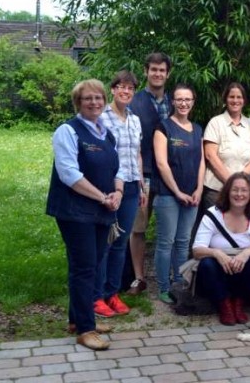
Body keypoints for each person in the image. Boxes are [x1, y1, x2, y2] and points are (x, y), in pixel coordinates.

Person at [46, 79, 124, 350]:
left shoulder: (107, 133)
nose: (94, 102)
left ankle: (78, 318)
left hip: (102, 209)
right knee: (84, 266)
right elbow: (69, 174)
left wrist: (118, 193)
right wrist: (103, 197)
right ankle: (86, 330)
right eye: (88, 98)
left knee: (90, 264)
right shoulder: (68, 131)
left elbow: (119, 169)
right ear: (78, 103)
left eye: (98, 98)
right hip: (75, 211)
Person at [94, 71, 145, 319]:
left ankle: (112, 292)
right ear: (112, 89)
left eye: (130, 88)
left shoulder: (134, 120)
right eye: (121, 87)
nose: (126, 92)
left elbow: (137, 154)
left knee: (121, 242)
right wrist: (112, 189)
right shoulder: (101, 117)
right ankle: (96, 296)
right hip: (110, 188)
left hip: (133, 187)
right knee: (105, 242)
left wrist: (142, 184)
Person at [192, 172, 250, 325]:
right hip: (219, 268)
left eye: (244, 190)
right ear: (227, 191)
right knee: (207, 264)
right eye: (235, 190)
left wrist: (248, 252)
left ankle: (239, 303)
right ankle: (225, 304)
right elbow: (197, 250)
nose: (239, 194)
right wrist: (216, 253)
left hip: (240, 268)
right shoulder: (212, 214)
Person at [152, 84, 205, 304]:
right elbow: (162, 164)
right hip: (168, 195)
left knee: (184, 241)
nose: (184, 103)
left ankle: (179, 283)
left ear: (193, 102)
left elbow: (202, 161)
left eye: (188, 99)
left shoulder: (198, 129)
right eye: (179, 99)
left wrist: (199, 189)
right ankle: (164, 287)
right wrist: (177, 192)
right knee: (166, 241)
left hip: (192, 196)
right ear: (172, 101)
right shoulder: (163, 128)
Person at [126, 52, 172, 296]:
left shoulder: (175, 102)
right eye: (153, 69)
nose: (157, 74)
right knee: (139, 227)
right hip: (143, 173)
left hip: (168, 174)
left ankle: (169, 277)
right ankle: (138, 277)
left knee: (168, 230)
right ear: (146, 71)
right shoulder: (134, 103)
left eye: (162, 70)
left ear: (168, 73)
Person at [201, 82, 250, 218]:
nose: (235, 100)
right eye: (231, 97)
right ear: (225, 99)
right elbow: (210, 155)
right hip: (217, 190)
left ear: (244, 100)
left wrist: (240, 182)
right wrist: (232, 182)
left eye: (239, 97)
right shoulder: (215, 123)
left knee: (239, 232)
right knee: (216, 232)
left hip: (243, 191)